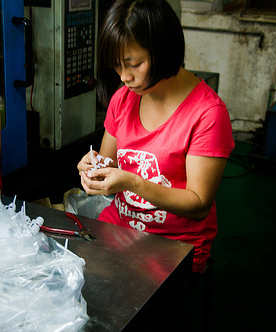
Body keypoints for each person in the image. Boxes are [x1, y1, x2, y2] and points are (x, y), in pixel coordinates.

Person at [77, 0, 235, 274]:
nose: (124, 76)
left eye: (134, 64)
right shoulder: (123, 99)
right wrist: (93, 168)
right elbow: (107, 160)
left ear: (164, 50)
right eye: (117, 66)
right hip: (119, 227)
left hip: (174, 244)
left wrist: (132, 181)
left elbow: (198, 205)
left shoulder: (207, 114)